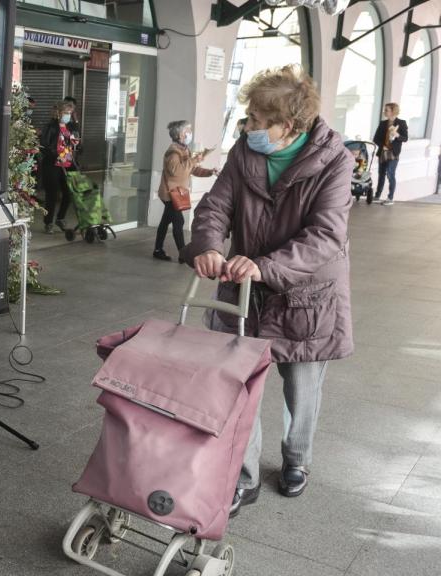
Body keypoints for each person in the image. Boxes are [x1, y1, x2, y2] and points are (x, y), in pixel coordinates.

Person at [181, 65, 354, 517]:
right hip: (245, 288)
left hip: (305, 294)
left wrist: (265, 266)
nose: (249, 126)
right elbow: (216, 205)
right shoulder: (245, 151)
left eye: (258, 120)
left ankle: (297, 460)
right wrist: (207, 246)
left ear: (289, 126)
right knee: (241, 387)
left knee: (302, 388)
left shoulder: (335, 161)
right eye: (250, 117)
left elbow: (326, 236)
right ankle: (244, 476)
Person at [153, 120, 217, 262]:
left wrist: (209, 172)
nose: (190, 133)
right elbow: (178, 172)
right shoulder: (173, 152)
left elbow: (191, 169)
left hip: (177, 192)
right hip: (170, 194)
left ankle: (158, 249)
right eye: (188, 131)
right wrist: (194, 160)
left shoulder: (184, 150)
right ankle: (184, 255)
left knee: (166, 221)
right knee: (179, 221)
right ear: (180, 135)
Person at [39, 100, 79, 234]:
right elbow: (44, 146)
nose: (68, 115)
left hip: (67, 164)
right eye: (66, 113)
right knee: (52, 195)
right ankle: (48, 222)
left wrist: (77, 145)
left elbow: (76, 144)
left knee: (68, 193)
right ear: (59, 113)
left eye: (70, 113)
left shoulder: (71, 127)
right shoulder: (50, 127)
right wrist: (55, 154)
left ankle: (60, 218)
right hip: (53, 165)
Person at [370, 102, 408, 205]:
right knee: (381, 174)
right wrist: (383, 146)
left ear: (393, 111)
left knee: (390, 174)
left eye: (386, 110)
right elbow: (376, 138)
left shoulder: (402, 123)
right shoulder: (383, 123)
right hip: (383, 152)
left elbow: (405, 138)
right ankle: (377, 196)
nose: (384, 112)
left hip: (393, 153)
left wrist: (397, 135)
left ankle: (390, 198)